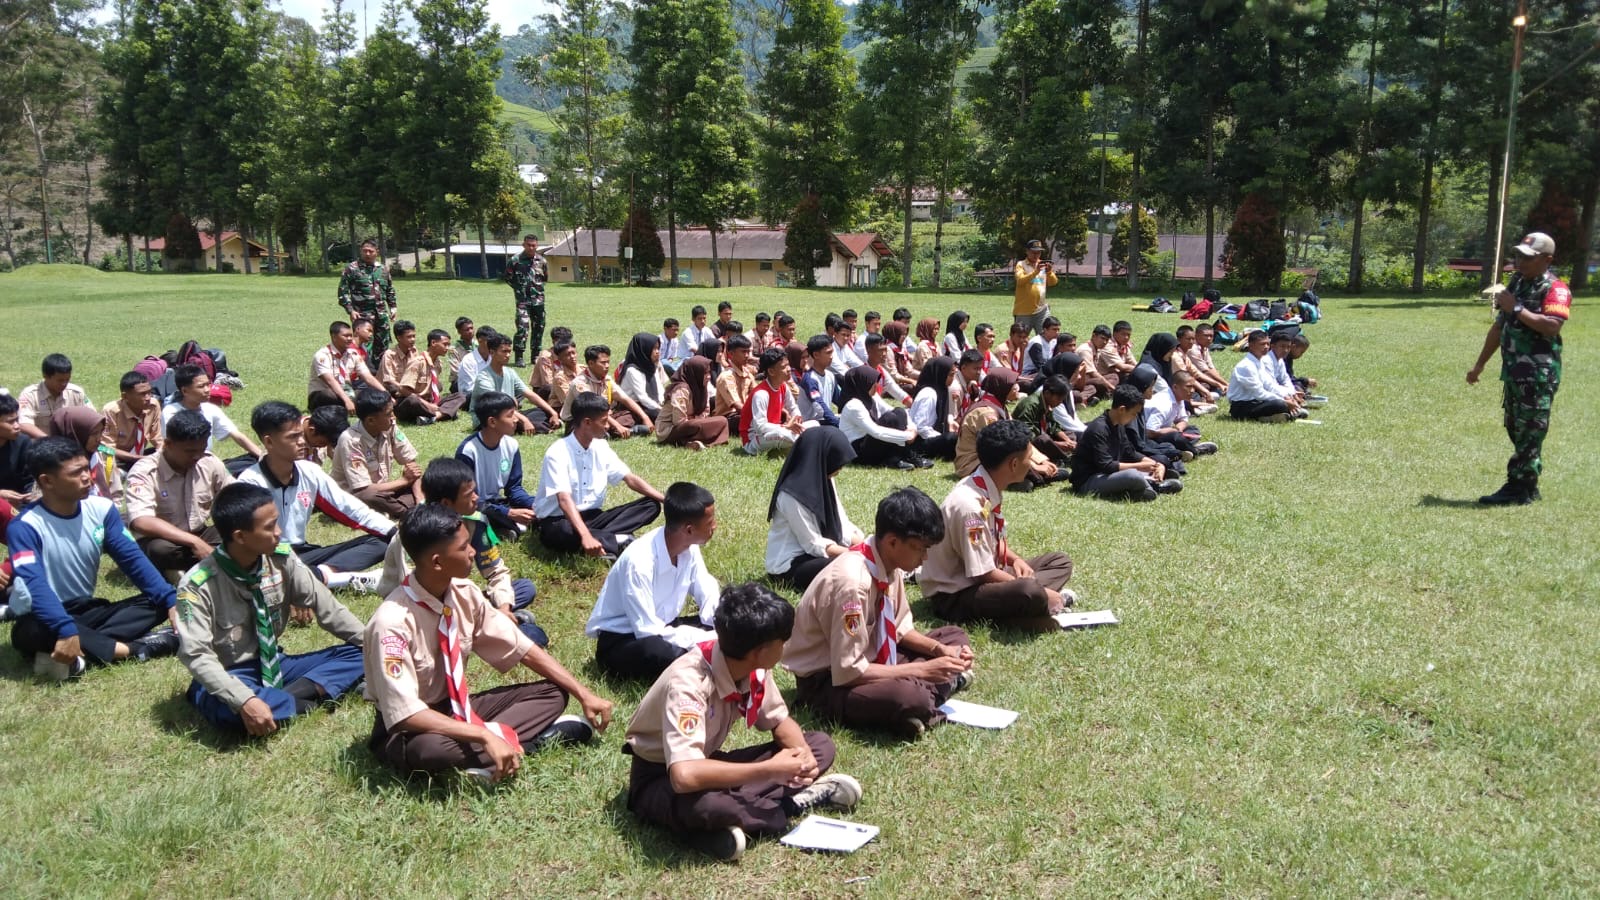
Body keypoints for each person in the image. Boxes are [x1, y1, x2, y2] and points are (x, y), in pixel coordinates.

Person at [365, 504, 614, 784]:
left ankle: (496, 749)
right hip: (411, 730)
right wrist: (483, 734)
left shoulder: (464, 593)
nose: (473, 551)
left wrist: (583, 693)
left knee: (554, 693)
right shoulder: (392, 623)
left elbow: (523, 649)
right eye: (463, 547)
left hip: (457, 708)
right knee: (429, 751)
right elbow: (405, 715)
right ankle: (532, 742)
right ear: (437, 562)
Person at [622, 581, 861, 861]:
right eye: (782, 642)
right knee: (711, 806)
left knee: (820, 744)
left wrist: (802, 756)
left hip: (708, 762)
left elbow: (779, 721)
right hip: (659, 778)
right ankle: (784, 808)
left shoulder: (752, 666)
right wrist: (771, 770)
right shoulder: (689, 682)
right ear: (759, 650)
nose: (786, 646)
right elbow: (684, 776)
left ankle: (741, 818)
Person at [175, 482, 367, 735]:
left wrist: (376, 647)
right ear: (240, 536)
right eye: (269, 527)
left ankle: (288, 700)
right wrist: (245, 700)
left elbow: (330, 610)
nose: (278, 532)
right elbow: (197, 655)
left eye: (276, 522)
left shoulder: (282, 560)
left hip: (275, 663)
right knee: (229, 712)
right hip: (228, 673)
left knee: (364, 653)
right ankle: (300, 699)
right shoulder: (198, 585)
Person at [785, 487, 974, 740]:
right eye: (920, 548)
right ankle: (923, 698)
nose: (925, 557)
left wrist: (939, 651)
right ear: (893, 541)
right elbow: (849, 671)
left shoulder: (888, 564)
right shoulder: (852, 584)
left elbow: (899, 629)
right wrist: (924, 670)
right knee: (909, 696)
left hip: (875, 658)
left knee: (953, 637)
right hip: (827, 681)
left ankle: (917, 702)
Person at [8, 437, 180, 678]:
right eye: (76, 473)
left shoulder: (101, 509)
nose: (87, 477)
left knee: (159, 601)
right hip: (41, 615)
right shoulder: (25, 527)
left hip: (87, 610)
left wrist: (170, 600)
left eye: (86, 469)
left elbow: (132, 560)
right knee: (30, 631)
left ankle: (77, 653)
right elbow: (34, 584)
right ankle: (137, 648)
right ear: (47, 481)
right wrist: (65, 628)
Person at [919, 421, 1076, 631]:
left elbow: (990, 541)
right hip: (956, 594)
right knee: (1029, 590)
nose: (1031, 464)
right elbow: (981, 573)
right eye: (1029, 459)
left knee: (1060, 562)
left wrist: (1016, 560)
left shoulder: (983, 485)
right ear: (1013, 464)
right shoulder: (970, 506)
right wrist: (1035, 589)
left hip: (986, 572)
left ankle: (1030, 600)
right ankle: (1032, 604)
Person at [376, 458, 544, 646]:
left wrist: (504, 607)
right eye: (469, 494)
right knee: (531, 636)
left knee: (524, 588)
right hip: (414, 607)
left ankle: (493, 617)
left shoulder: (474, 522)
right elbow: (417, 588)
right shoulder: (417, 532)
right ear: (447, 503)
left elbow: (496, 571)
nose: (476, 498)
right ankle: (485, 622)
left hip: (456, 595)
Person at [238, 402, 394, 588]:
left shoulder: (310, 472)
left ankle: (319, 576)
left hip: (303, 553)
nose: (302, 441)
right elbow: (248, 544)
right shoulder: (250, 482)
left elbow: (351, 509)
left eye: (300, 434)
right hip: (268, 558)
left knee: (383, 542)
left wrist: (396, 533)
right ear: (269, 442)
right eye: (293, 437)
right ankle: (337, 579)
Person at [1470, 231, 1573, 505]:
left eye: (1528, 257)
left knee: (1531, 431)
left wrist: (1516, 308)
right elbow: (1499, 326)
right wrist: (1479, 364)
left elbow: (1552, 327)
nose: (1520, 262)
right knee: (1516, 428)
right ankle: (1528, 484)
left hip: (1538, 375)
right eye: (1518, 256)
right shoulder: (1517, 284)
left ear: (1547, 259)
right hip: (1514, 373)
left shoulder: (1555, 289)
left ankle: (1517, 487)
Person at [584, 483, 721, 680]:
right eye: (710, 523)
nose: (714, 526)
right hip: (627, 640)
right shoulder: (639, 561)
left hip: (666, 626)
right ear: (689, 529)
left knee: (730, 619)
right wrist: (708, 640)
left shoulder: (689, 547)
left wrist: (720, 625)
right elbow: (647, 630)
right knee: (660, 651)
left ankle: (710, 657)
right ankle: (708, 663)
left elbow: (706, 589)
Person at [535, 392, 664, 557]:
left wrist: (664, 499)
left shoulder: (601, 447)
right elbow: (564, 500)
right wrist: (586, 536)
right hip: (560, 519)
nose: (608, 426)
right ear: (587, 422)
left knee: (650, 505)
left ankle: (604, 539)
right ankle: (615, 540)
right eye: (604, 422)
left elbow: (629, 478)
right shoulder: (558, 452)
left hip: (593, 516)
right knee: (561, 533)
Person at [126, 409, 235, 581]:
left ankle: (199, 564)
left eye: (201, 449)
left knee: (242, 531)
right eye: (190, 451)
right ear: (168, 444)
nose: (197, 456)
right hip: (165, 541)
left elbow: (235, 495)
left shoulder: (208, 462)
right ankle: (214, 562)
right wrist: (195, 543)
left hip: (200, 533)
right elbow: (141, 521)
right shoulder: (145, 472)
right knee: (159, 551)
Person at [765, 428, 864, 592]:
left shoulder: (826, 479)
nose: (840, 468)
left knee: (858, 562)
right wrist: (855, 555)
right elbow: (812, 543)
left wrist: (865, 546)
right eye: (836, 462)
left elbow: (841, 524)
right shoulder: (791, 495)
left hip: (816, 554)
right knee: (848, 566)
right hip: (790, 566)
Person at [1070, 384, 1179, 501]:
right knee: (1132, 475)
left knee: (1157, 462)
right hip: (1089, 480)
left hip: (1107, 475)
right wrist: (1140, 467)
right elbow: (1106, 465)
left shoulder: (1118, 425)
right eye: (1134, 413)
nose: (1134, 417)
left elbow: (1130, 452)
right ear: (1122, 409)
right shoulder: (1098, 429)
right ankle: (1155, 487)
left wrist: (1155, 465)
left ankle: (1147, 484)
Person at [954, 369, 1057, 486]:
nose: (1017, 387)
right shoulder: (986, 413)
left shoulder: (999, 406)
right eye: (1013, 385)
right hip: (973, 463)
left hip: (994, 458)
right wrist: (1034, 466)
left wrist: (1042, 460)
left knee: (1033, 473)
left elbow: (1019, 438)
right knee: (1031, 479)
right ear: (1002, 387)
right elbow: (1002, 446)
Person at [454, 392, 536, 538]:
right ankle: (501, 528)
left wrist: (535, 503)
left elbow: (514, 489)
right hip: (474, 506)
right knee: (477, 517)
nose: (516, 419)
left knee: (541, 513)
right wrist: (509, 513)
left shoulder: (511, 445)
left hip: (498, 503)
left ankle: (506, 527)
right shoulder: (468, 451)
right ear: (492, 422)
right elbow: (468, 499)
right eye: (510, 415)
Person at [331, 388, 423, 518]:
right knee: (369, 496)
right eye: (389, 414)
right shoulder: (351, 440)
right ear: (370, 421)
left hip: (384, 491)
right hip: (356, 496)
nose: (393, 417)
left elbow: (411, 465)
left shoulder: (389, 427)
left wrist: (419, 498)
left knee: (429, 480)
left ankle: (415, 506)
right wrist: (404, 481)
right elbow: (363, 489)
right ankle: (408, 512)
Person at [162, 364, 263, 474]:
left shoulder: (209, 408)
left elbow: (236, 435)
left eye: (208, 384)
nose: (207, 390)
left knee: (254, 460)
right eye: (201, 386)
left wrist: (263, 457)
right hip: (186, 467)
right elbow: (176, 450)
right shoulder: (171, 412)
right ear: (185, 391)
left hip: (209, 464)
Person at [836, 365, 926, 471]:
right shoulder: (853, 405)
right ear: (862, 383)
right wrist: (907, 436)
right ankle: (901, 455)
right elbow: (876, 432)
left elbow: (894, 410)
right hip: (859, 453)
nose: (876, 385)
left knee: (899, 412)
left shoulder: (871, 396)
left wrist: (912, 427)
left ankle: (898, 457)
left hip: (869, 442)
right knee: (890, 419)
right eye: (872, 382)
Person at [471, 333, 558, 433]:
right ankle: (541, 427)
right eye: (504, 351)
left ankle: (542, 422)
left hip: (509, 413)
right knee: (513, 420)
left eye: (509, 351)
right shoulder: (483, 377)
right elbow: (498, 406)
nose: (508, 355)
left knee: (542, 411)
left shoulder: (510, 372)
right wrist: (524, 420)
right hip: (489, 418)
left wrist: (552, 412)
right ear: (492, 352)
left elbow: (529, 394)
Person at [382, 322, 462, 424]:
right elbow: (390, 382)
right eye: (409, 337)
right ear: (399, 338)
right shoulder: (390, 355)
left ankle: (434, 416)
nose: (413, 340)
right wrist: (425, 402)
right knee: (413, 400)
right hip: (402, 396)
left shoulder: (420, 354)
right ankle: (443, 412)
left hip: (421, 395)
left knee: (460, 396)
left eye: (414, 336)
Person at [563, 343, 647, 438]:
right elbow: (593, 409)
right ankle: (621, 431)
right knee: (588, 425)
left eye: (608, 362)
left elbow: (625, 399)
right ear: (591, 363)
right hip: (580, 420)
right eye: (603, 363)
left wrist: (645, 417)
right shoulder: (580, 383)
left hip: (603, 417)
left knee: (628, 413)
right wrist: (617, 425)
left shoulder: (606, 379)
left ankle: (609, 432)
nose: (607, 366)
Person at [337, 240, 397, 364]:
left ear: (377, 252)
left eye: (371, 251)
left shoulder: (383, 269)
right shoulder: (352, 268)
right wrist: (350, 310)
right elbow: (343, 292)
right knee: (363, 345)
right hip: (362, 315)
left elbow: (389, 289)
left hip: (381, 314)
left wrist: (393, 307)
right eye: (365, 251)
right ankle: (361, 374)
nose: (367, 254)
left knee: (382, 346)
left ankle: (380, 375)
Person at [308, 320, 388, 413]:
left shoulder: (353, 354)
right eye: (345, 336)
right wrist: (347, 400)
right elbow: (330, 381)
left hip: (346, 392)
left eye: (351, 335)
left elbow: (368, 377)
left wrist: (385, 393)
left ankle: (347, 407)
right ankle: (347, 406)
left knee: (369, 393)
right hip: (322, 394)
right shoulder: (322, 355)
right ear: (334, 337)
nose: (350, 338)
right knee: (329, 394)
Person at [654, 356, 729, 451]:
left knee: (723, 420)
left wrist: (700, 422)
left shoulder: (701, 387)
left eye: (709, 372)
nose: (709, 376)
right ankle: (696, 440)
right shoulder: (682, 389)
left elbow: (705, 412)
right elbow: (678, 421)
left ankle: (691, 443)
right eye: (705, 373)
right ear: (695, 372)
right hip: (668, 430)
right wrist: (697, 421)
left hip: (690, 425)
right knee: (695, 425)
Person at [740, 348, 806, 455]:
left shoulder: (783, 386)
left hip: (775, 431)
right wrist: (786, 427)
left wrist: (796, 420)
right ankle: (806, 445)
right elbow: (760, 427)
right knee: (784, 435)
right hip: (754, 440)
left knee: (814, 424)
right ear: (771, 371)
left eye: (788, 365)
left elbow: (793, 407)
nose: (789, 369)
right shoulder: (761, 394)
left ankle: (803, 440)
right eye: (784, 367)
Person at [1226, 330, 1299, 422]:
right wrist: (1284, 401)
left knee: (1282, 402)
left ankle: (1273, 416)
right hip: (1241, 406)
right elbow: (1259, 393)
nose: (1266, 347)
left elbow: (1269, 385)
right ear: (1251, 345)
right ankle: (1269, 417)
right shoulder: (1246, 366)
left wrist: (1286, 396)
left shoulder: (1259, 362)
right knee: (1280, 404)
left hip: (1256, 401)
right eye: (1262, 344)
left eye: (1267, 344)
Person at [51, 406, 120, 501]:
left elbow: (116, 495)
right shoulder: (53, 467)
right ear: (74, 433)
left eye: (101, 432)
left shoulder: (103, 455)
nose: (99, 438)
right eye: (93, 433)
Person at [16, 354, 91, 440]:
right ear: (45, 376)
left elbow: (92, 419)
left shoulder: (76, 393)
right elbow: (24, 424)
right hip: (40, 446)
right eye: (60, 380)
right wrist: (51, 442)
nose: (64, 384)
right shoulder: (30, 395)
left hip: (70, 447)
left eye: (67, 379)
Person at [503, 233, 548, 367]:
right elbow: (508, 278)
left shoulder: (542, 261)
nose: (531, 248)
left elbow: (544, 279)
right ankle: (519, 356)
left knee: (539, 327)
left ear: (537, 246)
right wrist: (519, 290)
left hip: (538, 302)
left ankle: (535, 356)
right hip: (523, 302)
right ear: (524, 245)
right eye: (528, 245)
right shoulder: (515, 260)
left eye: (534, 245)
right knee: (522, 327)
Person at [102, 371, 162, 469]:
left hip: (140, 455)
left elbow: (157, 437)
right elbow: (106, 447)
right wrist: (136, 458)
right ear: (125, 396)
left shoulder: (153, 405)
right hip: (118, 459)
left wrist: (161, 453)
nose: (148, 398)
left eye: (149, 392)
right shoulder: (111, 411)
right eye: (142, 394)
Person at [1010, 375, 1077, 462]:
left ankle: (1061, 452)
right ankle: (1063, 457)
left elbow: (1053, 425)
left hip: (1044, 434)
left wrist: (1067, 440)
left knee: (1070, 434)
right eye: (1059, 399)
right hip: (1030, 441)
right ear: (1048, 393)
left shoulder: (1046, 402)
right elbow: (1028, 435)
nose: (1060, 402)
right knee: (1044, 440)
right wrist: (1058, 444)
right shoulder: (1030, 405)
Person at [907, 356, 959, 461]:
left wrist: (949, 419)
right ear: (941, 374)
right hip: (920, 442)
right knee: (952, 439)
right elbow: (920, 427)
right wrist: (941, 438)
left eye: (954, 375)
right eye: (950, 375)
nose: (953, 379)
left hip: (930, 437)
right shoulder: (928, 394)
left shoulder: (941, 389)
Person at [617, 332, 669, 424]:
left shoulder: (652, 364)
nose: (657, 352)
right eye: (653, 349)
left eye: (658, 348)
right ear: (643, 349)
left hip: (652, 404)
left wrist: (663, 403)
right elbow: (643, 397)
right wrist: (660, 409)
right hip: (636, 405)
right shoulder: (632, 370)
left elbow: (659, 386)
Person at [712, 335, 757, 434]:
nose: (746, 355)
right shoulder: (726, 377)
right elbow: (737, 405)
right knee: (753, 420)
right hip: (728, 418)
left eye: (748, 352)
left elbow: (757, 394)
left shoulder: (747, 373)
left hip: (743, 412)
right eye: (743, 352)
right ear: (731, 354)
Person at [1013, 239, 1057, 336]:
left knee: (1046, 336)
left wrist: (1049, 272)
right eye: (1033, 252)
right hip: (1024, 311)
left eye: (1038, 252)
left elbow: (1053, 282)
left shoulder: (1043, 265)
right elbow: (1020, 281)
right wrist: (1035, 272)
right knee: (1021, 338)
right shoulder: (1021, 265)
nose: (1036, 255)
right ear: (1027, 251)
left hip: (1041, 309)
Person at [794, 336, 839, 427]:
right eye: (828, 353)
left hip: (825, 420)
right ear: (816, 355)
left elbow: (839, 400)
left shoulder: (830, 375)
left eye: (832, 352)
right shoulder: (810, 380)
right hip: (812, 424)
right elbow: (820, 407)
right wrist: (838, 423)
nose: (831, 357)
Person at [528, 325, 575, 402]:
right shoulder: (546, 356)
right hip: (545, 389)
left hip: (563, 383)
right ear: (554, 342)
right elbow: (547, 381)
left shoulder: (568, 354)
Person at [863, 333, 911, 405]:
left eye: (885, 350)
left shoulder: (881, 371)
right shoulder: (863, 373)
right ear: (868, 350)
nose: (884, 354)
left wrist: (913, 405)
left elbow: (897, 391)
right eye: (880, 350)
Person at [1186, 323, 1231, 398]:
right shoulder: (1193, 349)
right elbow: (1205, 371)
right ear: (1196, 335)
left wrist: (1223, 383)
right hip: (1190, 378)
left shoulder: (1204, 347)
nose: (1209, 338)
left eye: (1211, 336)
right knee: (1206, 386)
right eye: (1206, 335)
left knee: (1213, 386)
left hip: (1201, 376)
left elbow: (1211, 368)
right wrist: (1225, 384)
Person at [454, 326, 496, 401]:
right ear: (480, 340)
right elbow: (469, 388)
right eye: (489, 342)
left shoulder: (493, 358)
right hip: (471, 395)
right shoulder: (469, 360)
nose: (492, 345)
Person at [447, 316, 476, 392]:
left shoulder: (478, 345)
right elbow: (456, 371)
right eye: (466, 330)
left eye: (471, 328)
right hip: (461, 380)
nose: (470, 331)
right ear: (459, 332)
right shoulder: (453, 349)